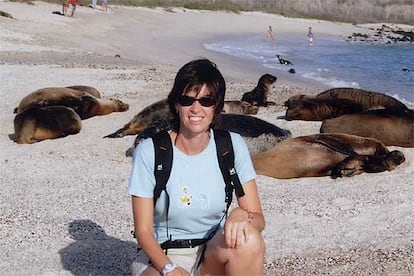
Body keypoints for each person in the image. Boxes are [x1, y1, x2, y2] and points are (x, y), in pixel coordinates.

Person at [128, 58, 265, 275]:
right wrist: (169, 268)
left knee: (249, 239)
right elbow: (143, 231)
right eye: (187, 99)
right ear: (176, 104)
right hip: (162, 255)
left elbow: (258, 218)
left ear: (217, 106)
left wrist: (242, 215)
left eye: (206, 100)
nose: (196, 108)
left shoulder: (231, 146)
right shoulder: (150, 152)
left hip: (212, 252)